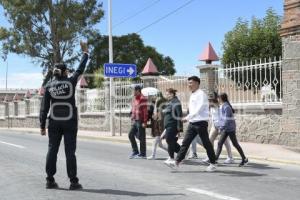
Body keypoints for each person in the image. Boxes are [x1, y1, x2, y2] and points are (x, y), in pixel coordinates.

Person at [40, 41, 89, 190]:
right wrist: (85, 53)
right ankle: (73, 182)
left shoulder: (48, 86)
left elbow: (44, 107)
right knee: (70, 152)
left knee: (52, 150)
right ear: (65, 72)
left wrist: (42, 125)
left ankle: (49, 180)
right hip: (70, 122)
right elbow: (80, 70)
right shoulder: (71, 82)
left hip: (54, 122)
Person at [164, 76, 217, 172]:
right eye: (188, 83)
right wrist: (189, 118)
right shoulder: (193, 95)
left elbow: (199, 109)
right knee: (185, 143)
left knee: (206, 143)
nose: (189, 85)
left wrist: (187, 118)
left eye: (191, 83)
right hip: (192, 123)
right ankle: (176, 162)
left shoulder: (201, 94)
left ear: (197, 83)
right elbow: (192, 109)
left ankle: (213, 163)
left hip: (201, 123)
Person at [215, 93, 248, 167]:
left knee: (234, 144)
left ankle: (244, 159)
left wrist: (221, 128)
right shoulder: (223, 106)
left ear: (221, 98)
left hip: (229, 128)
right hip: (227, 128)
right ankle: (215, 159)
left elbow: (227, 119)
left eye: (218, 98)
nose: (217, 99)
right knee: (220, 143)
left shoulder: (226, 107)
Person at [202, 92, 234, 164]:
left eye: (210, 100)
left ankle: (230, 157)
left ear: (215, 100)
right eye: (208, 100)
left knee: (225, 142)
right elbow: (213, 117)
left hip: (222, 127)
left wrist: (221, 128)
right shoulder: (211, 107)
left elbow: (223, 118)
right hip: (214, 126)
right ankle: (210, 156)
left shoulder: (221, 107)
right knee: (210, 140)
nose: (209, 102)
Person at [162, 88, 183, 164]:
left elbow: (179, 115)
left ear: (171, 94)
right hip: (168, 126)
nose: (166, 95)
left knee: (169, 140)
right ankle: (182, 152)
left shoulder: (176, 102)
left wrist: (179, 129)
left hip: (173, 125)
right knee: (171, 140)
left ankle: (171, 157)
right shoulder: (170, 102)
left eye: (167, 94)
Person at [128, 85, 148, 159]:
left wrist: (145, 122)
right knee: (130, 134)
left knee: (142, 137)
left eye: (133, 90)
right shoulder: (134, 98)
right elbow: (133, 108)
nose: (132, 92)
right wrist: (131, 113)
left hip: (140, 120)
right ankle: (135, 151)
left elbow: (145, 111)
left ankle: (143, 154)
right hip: (134, 120)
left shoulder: (143, 99)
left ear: (137, 91)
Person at [147, 92, 168, 160]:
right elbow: (154, 113)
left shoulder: (160, 103)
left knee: (155, 142)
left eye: (155, 95)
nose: (153, 96)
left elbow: (160, 115)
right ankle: (176, 153)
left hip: (160, 126)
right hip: (157, 125)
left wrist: (156, 116)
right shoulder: (155, 103)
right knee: (160, 145)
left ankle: (153, 155)